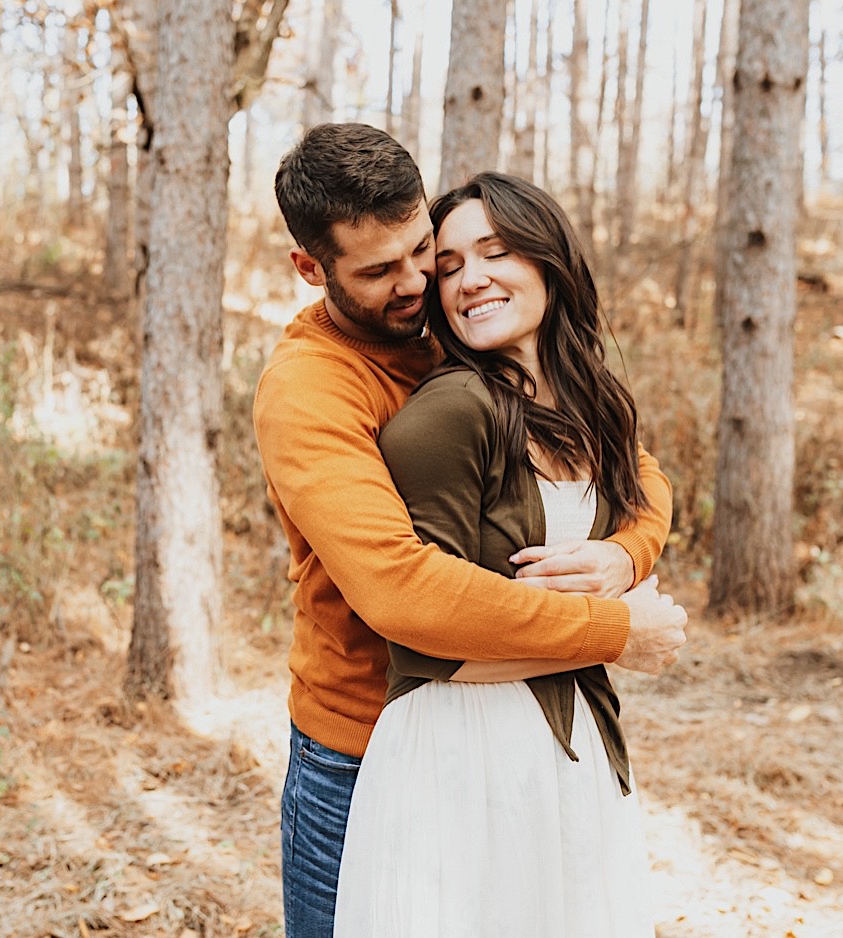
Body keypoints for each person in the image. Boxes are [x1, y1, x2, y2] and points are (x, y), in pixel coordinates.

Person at [253, 123, 688, 938]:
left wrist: (621, 557)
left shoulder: (454, 336)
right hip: (362, 742)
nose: (419, 281)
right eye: (380, 270)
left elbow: (633, 469)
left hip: (513, 726)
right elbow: (403, 591)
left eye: (424, 248)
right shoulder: (309, 390)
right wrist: (611, 630)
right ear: (312, 270)